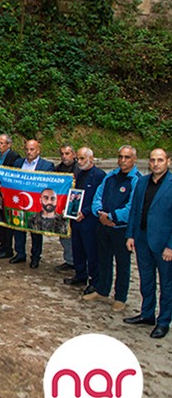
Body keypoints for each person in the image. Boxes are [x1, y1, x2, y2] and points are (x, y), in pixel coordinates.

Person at [85, 145, 141, 310]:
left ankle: (120, 297)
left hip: (121, 228)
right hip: (103, 225)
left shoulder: (136, 179)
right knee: (103, 259)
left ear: (134, 159)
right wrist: (99, 213)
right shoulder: (110, 176)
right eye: (121, 157)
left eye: (127, 157)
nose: (123, 160)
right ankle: (102, 290)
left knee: (122, 263)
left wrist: (112, 216)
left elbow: (132, 207)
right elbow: (98, 196)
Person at [125, 148, 172, 338]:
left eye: (160, 160)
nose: (155, 164)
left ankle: (163, 321)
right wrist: (130, 235)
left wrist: (171, 245)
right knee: (146, 280)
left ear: (168, 161)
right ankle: (147, 314)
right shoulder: (142, 182)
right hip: (142, 239)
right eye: (152, 160)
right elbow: (135, 211)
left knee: (166, 284)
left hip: (163, 243)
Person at [64, 147, 106, 288]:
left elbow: (99, 199)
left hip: (90, 220)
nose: (79, 162)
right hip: (76, 219)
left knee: (91, 252)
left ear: (91, 158)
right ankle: (80, 275)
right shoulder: (79, 174)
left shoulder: (100, 176)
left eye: (82, 158)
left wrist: (86, 212)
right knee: (78, 249)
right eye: (78, 159)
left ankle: (94, 282)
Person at [10, 139, 55, 267]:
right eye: (27, 149)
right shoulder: (18, 163)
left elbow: (50, 185)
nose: (29, 152)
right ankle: (20, 253)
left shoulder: (47, 166)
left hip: (36, 205)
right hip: (20, 202)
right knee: (18, 228)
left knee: (35, 232)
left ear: (38, 150)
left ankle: (35, 257)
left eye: (32, 149)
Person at [0, 134, 21, 258]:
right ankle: (2, 243)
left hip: (8, 194)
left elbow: (13, 175)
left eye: (2, 143)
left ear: (9, 144)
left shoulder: (14, 157)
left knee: (7, 221)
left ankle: (8, 248)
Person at [54, 144, 80, 271]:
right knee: (64, 236)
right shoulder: (57, 169)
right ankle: (69, 260)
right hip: (60, 207)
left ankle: (79, 262)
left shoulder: (79, 169)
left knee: (76, 237)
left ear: (74, 154)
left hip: (75, 206)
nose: (64, 156)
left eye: (67, 153)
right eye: (62, 154)